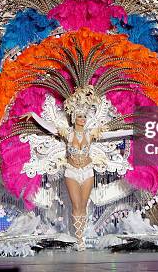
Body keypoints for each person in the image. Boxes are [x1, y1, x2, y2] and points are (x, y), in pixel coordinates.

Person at [22, 85, 133, 251]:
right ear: (74, 118)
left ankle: (80, 237)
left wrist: (134, 130)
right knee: (76, 206)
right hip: (71, 172)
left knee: (83, 205)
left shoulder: (91, 134)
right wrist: (34, 116)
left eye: (84, 116)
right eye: (80, 116)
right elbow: (48, 127)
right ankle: (79, 239)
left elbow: (113, 134)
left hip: (88, 171)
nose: (83, 119)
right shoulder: (67, 133)